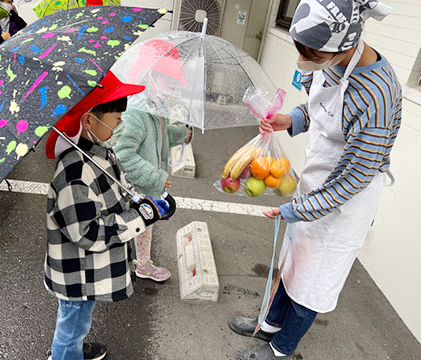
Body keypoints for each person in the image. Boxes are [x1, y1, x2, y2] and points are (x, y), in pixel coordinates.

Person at [229, 1, 402, 359]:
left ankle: (281, 350)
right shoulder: (330, 60)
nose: (304, 59)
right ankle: (269, 325)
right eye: (299, 48)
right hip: (314, 187)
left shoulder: (377, 95)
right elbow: (321, 111)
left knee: (312, 283)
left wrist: (298, 209)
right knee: (292, 265)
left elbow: (354, 176)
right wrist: (290, 120)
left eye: (313, 54)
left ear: (345, 44)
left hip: (344, 205)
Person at [44, 70, 174, 360]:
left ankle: (74, 347)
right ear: (89, 120)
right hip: (76, 273)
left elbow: (121, 188)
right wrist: (138, 219)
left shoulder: (98, 152)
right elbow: (87, 233)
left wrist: (148, 205)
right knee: (72, 322)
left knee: (79, 318)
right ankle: (66, 353)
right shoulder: (74, 175)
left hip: (85, 271)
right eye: (115, 119)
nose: (121, 124)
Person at [114, 39, 191, 283]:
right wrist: (157, 177)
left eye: (173, 82)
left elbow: (159, 137)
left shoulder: (154, 106)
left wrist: (181, 133)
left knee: (144, 225)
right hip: (138, 186)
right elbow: (123, 154)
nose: (171, 87)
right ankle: (140, 265)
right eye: (166, 80)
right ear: (148, 77)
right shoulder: (136, 111)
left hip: (148, 185)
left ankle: (136, 262)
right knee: (139, 224)